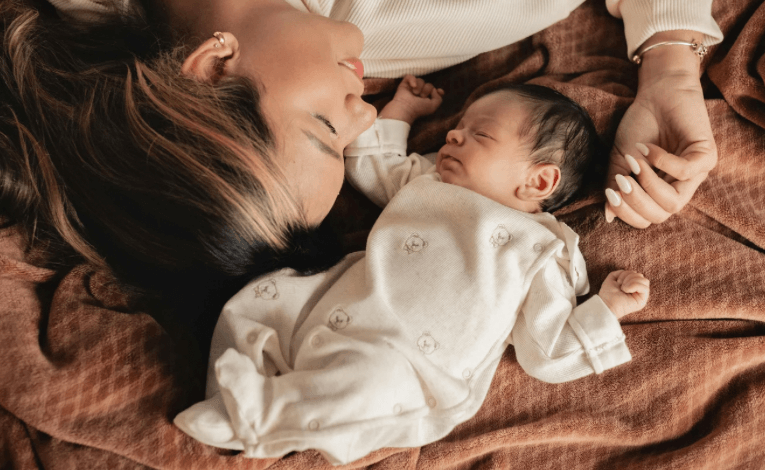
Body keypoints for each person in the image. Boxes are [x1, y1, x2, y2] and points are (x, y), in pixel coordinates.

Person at [0, 0, 720, 299]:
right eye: (351, 143)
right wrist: (670, 68)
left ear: (211, 68)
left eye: (322, 127)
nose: (368, 110)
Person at [173, 77, 651, 465]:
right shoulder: (429, 179)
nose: (453, 135)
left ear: (539, 180)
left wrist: (606, 307)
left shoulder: (543, 250)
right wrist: (403, 110)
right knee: (261, 299)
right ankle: (226, 394)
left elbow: (545, 352)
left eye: (480, 134)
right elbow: (371, 164)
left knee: (364, 385)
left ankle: (260, 419)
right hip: (337, 300)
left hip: (411, 363)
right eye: (458, 127)